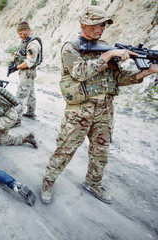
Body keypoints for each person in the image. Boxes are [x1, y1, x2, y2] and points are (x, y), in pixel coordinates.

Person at [40, 6, 158, 204]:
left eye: (104, 24)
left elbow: (119, 78)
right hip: (79, 111)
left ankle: (93, 183)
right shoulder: (72, 47)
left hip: (105, 109)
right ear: (84, 24)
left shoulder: (105, 46)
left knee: (100, 151)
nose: (102, 28)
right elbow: (79, 73)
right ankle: (48, 181)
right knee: (65, 149)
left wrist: (147, 72)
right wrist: (107, 56)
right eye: (98, 24)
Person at [7, 22, 43, 126]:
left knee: (21, 95)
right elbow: (17, 52)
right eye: (18, 34)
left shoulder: (33, 44)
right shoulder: (24, 41)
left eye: (21, 33)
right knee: (30, 92)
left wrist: (15, 67)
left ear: (27, 30)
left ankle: (16, 120)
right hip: (25, 71)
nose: (20, 36)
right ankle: (31, 113)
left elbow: (29, 62)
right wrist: (11, 62)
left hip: (28, 71)